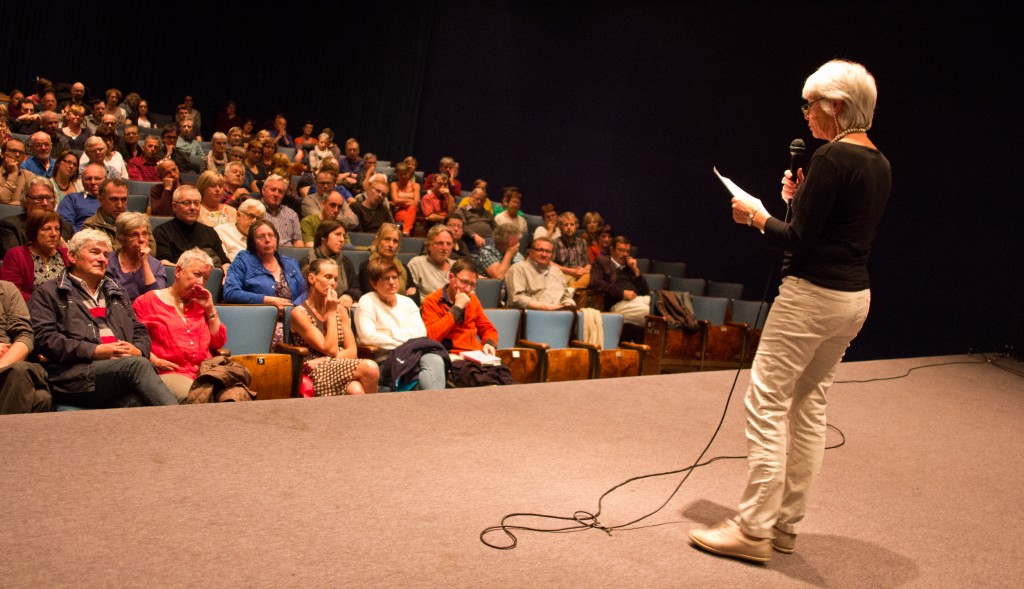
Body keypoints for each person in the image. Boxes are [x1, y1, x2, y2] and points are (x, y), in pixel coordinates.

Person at [688, 59, 890, 564]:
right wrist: (792, 201)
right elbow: (831, 228)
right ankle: (784, 528)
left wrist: (757, 217)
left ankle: (752, 528)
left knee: (767, 402)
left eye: (811, 104)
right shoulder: (878, 162)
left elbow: (799, 241)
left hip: (812, 299)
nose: (806, 114)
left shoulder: (831, 158)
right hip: (853, 300)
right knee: (809, 407)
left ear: (837, 106)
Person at [29, 229, 178, 408]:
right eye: (94, 252)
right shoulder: (49, 292)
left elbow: (139, 330)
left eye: (106, 254)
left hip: (119, 373)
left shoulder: (115, 291)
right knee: (138, 367)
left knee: (138, 402)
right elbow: (45, 339)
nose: (102, 259)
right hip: (75, 375)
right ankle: (182, 426)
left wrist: (137, 350)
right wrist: (95, 351)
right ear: (73, 256)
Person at [132, 248, 227, 403]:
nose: (201, 283)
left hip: (205, 371)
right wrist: (152, 359)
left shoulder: (201, 304)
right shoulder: (146, 302)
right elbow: (134, 341)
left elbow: (218, 342)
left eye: (205, 278)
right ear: (178, 271)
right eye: (197, 275)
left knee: (235, 394)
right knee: (195, 396)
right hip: (168, 373)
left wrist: (210, 309)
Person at [355, 258, 447, 391]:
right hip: (387, 358)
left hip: (414, 354)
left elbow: (421, 332)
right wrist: (406, 345)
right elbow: (367, 337)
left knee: (435, 359)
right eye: (386, 278)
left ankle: (433, 404)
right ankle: (434, 406)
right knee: (422, 383)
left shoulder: (407, 302)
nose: (392, 282)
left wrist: (390, 333)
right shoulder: (367, 301)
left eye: (395, 277)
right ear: (374, 283)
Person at [290, 258, 379, 396]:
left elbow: (352, 352)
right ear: (312, 278)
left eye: (335, 279)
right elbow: (330, 349)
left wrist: (324, 360)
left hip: (332, 363)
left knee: (355, 390)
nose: (333, 283)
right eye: (328, 277)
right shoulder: (299, 314)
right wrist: (331, 312)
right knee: (371, 368)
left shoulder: (341, 310)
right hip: (314, 370)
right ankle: (377, 416)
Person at [223, 219, 306, 314]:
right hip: (258, 318)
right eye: (261, 237)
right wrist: (266, 301)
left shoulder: (290, 263)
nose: (267, 240)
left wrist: (290, 310)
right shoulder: (243, 260)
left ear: (277, 238)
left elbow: (305, 293)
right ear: (253, 242)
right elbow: (230, 293)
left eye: (271, 235)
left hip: (291, 319)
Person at [0, 278, 51, 414]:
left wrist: (4, 366)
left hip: (12, 364)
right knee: (40, 398)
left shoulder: (7, 290)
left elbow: (25, 335)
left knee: (19, 371)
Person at [153, 185, 230, 273]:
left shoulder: (210, 232)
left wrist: (227, 269)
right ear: (174, 206)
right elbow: (165, 264)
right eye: (186, 203)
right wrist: (194, 273)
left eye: (196, 203)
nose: (193, 207)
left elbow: (224, 261)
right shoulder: (162, 232)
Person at [0, 209, 70, 300]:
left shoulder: (66, 254)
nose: (54, 234)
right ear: (33, 231)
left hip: (68, 308)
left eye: (57, 229)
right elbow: (11, 291)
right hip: (31, 309)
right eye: (47, 229)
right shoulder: (17, 255)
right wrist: (45, 303)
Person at [589, 235, 650, 335]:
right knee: (649, 312)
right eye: (621, 250)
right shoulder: (602, 262)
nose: (625, 254)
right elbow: (596, 283)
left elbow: (646, 291)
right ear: (612, 250)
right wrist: (622, 293)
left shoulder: (629, 266)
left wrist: (636, 271)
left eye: (627, 251)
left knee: (656, 304)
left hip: (638, 300)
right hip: (618, 304)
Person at [0, 178, 73, 257]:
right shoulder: (9, 225)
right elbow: (15, 258)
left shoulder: (66, 227)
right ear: (26, 200)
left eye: (49, 198)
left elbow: (76, 259)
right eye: (38, 198)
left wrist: (61, 242)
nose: (45, 203)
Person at [106, 212, 166, 300]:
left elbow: (157, 299)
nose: (142, 239)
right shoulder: (108, 262)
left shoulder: (156, 266)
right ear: (121, 240)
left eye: (145, 234)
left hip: (147, 311)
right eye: (134, 235)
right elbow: (109, 297)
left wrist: (145, 263)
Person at [505, 236, 575, 310]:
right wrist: (546, 307)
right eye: (540, 250)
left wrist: (567, 304)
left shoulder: (557, 271)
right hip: (531, 314)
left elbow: (566, 297)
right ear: (530, 251)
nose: (544, 254)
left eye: (548, 251)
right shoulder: (518, 269)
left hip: (559, 313)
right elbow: (517, 298)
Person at [303, 219, 361, 307]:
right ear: (323, 236)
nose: (342, 240)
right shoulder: (307, 261)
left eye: (343, 236)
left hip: (340, 308)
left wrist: (349, 295)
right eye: (337, 234)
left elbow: (356, 288)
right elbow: (302, 291)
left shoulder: (346, 262)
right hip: (313, 307)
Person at [357, 223, 413, 298]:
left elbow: (415, 296)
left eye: (395, 241)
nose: (391, 245)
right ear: (377, 240)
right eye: (387, 239)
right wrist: (405, 297)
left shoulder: (404, 268)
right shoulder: (366, 266)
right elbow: (372, 295)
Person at [407, 224, 455, 296]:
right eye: (440, 243)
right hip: (427, 306)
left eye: (448, 244)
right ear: (429, 245)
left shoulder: (456, 266)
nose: (445, 248)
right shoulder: (417, 264)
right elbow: (411, 296)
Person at [57, 162, 105, 232]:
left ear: (105, 180)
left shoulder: (114, 199)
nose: (93, 182)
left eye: (97, 178)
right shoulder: (72, 199)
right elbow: (66, 226)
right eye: (88, 179)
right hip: (81, 237)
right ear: (82, 181)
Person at [215, 198, 265, 262]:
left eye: (258, 219)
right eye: (250, 216)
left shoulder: (262, 238)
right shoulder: (222, 232)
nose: (254, 221)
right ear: (238, 215)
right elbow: (224, 262)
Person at [552, 211, 591, 291]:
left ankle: (571, 290)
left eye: (572, 224)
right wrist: (571, 271)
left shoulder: (582, 242)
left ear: (576, 226)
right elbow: (550, 263)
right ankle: (573, 289)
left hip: (582, 274)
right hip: (564, 275)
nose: (569, 227)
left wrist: (584, 270)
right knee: (570, 280)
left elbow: (588, 263)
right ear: (560, 227)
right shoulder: (555, 243)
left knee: (591, 276)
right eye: (565, 225)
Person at [260, 174, 302, 246]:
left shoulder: (291, 214)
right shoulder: (253, 210)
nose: (276, 194)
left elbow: (297, 242)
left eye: (280, 192)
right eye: (273, 190)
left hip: (288, 254)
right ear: (263, 190)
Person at [454, 187, 494, 252]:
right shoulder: (462, 210)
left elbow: (497, 228)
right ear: (471, 196)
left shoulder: (488, 213)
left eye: (482, 200)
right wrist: (474, 235)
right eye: (477, 199)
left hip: (491, 241)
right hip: (473, 242)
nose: (479, 202)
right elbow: (461, 225)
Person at [388, 161, 420, 235]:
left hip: (413, 211)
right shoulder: (394, 184)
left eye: (405, 174)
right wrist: (410, 201)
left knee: (412, 208)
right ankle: (407, 231)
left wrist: (401, 202)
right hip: (399, 211)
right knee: (411, 211)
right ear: (397, 175)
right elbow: (395, 200)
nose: (403, 176)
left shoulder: (416, 185)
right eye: (401, 174)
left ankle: (406, 231)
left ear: (409, 173)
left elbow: (416, 201)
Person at [1, 138, 35, 206]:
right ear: (2, 154)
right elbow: (3, 200)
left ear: (24, 157)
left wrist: (9, 204)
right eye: (13, 151)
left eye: (21, 153)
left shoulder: (30, 176)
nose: (17, 155)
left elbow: (33, 203)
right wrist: (13, 174)